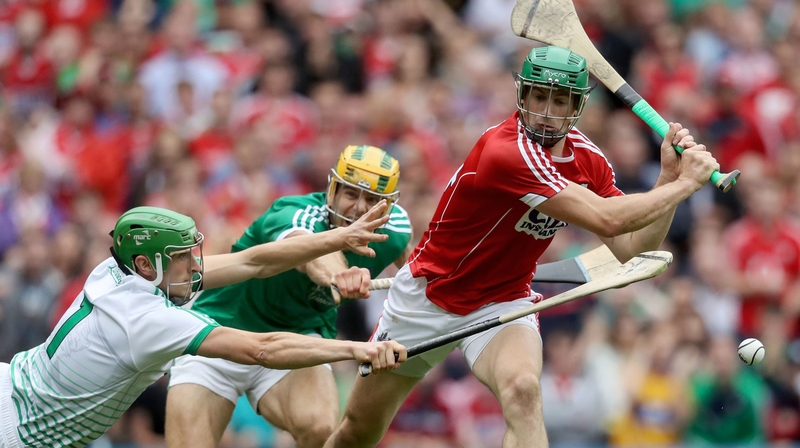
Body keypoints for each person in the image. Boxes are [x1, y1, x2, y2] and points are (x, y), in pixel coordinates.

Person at [323, 45, 720, 448]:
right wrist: (687, 184)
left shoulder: (589, 160)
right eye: (540, 96)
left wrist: (669, 181)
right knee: (358, 433)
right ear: (523, 96)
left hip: (504, 299)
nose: (548, 111)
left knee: (524, 391)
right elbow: (609, 218)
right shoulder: (506, 152)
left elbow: (629, 247)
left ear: (577, 106)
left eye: (560, 100)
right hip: (429, 297)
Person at [0, 204, 407, 448]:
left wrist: (339, 237)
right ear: (146, 264)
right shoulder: (149, 321)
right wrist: (358, 349)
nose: (194, 265)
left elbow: (254, 261)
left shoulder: (114, 271)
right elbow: (262, 349)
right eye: (182, 256)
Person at [165, 145, 413, 448]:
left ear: (387, 206)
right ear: (332, 190)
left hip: (296, 341)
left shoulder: (396, 229)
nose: (360, 209)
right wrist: (339, 275)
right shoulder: (293, 213)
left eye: (372, 200)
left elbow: (418, 274)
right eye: (350, 194)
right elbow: (310, 254)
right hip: (219, 334)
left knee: (319, 427)